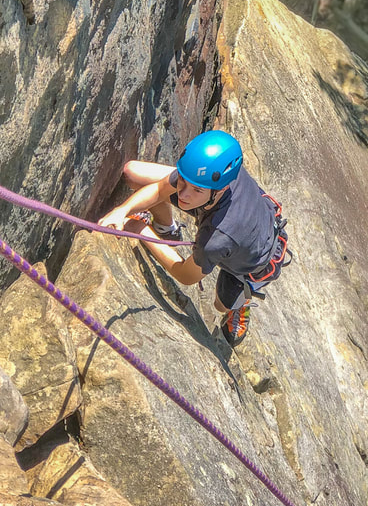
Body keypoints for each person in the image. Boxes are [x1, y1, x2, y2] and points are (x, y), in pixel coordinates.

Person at [98, 130, 288, 346]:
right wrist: (122, 210)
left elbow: (186, 275)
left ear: (222, 188)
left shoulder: (216, 238)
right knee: (133, 173)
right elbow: (161, 190)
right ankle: (166, 228)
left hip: (254, 261)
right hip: (233, 211)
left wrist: (141, 230)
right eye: (182, 181)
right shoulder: (217, 172)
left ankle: (239, 305)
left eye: (195, 189)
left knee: (220, 305)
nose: (182, 195)